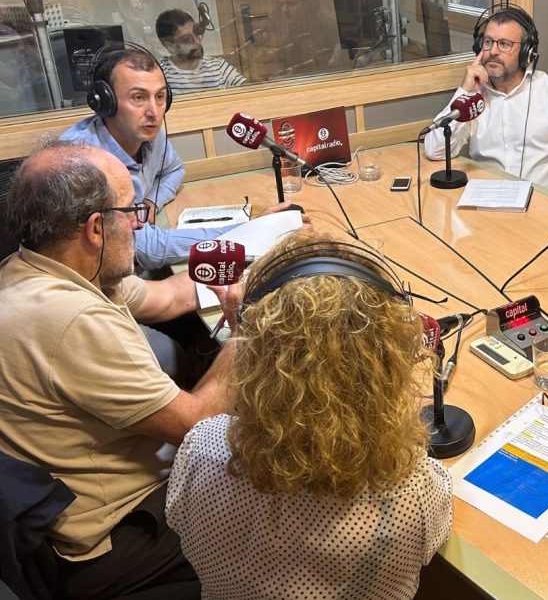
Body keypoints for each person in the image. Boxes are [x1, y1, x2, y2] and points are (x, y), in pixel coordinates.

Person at [0, 142, 244, 599]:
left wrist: (246, 273)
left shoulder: (40, 267)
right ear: (95, 228)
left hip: (70, 506)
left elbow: (167, 297)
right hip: (114, 538)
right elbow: (201, 423)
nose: (139, 223)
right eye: (130, 211)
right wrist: (247, 332)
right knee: (294, 488)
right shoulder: (69, 319)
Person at [166, 232, 453, 599]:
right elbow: (433, 542)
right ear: (390, 358)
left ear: (251, 350)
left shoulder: (201, 451)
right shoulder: (414, 487)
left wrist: (240, 328)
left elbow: (178, 520)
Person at [60, 45, 241, 270]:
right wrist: (247, 231)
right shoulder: (83, 163)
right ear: (105, 102)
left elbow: (174, 170)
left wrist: (151, 203)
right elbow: (148, 249)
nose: (154, 113)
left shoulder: (150, 135)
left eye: (160, 97)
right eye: (138, 97)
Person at [423, 4, 548, 197]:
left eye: (504, 44)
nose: (493, 51)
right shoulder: (473, 100)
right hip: (486, 203)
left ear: (527, 51)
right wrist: (465, 91)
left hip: (546, 207)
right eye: (488, 42)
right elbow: (435, 151)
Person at [156, 9, 246, 94]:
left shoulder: (218, 67)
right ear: (170, 46)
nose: (197, 42)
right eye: (187, 39)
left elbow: (247, 92)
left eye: (197, 35)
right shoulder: (160, 74)